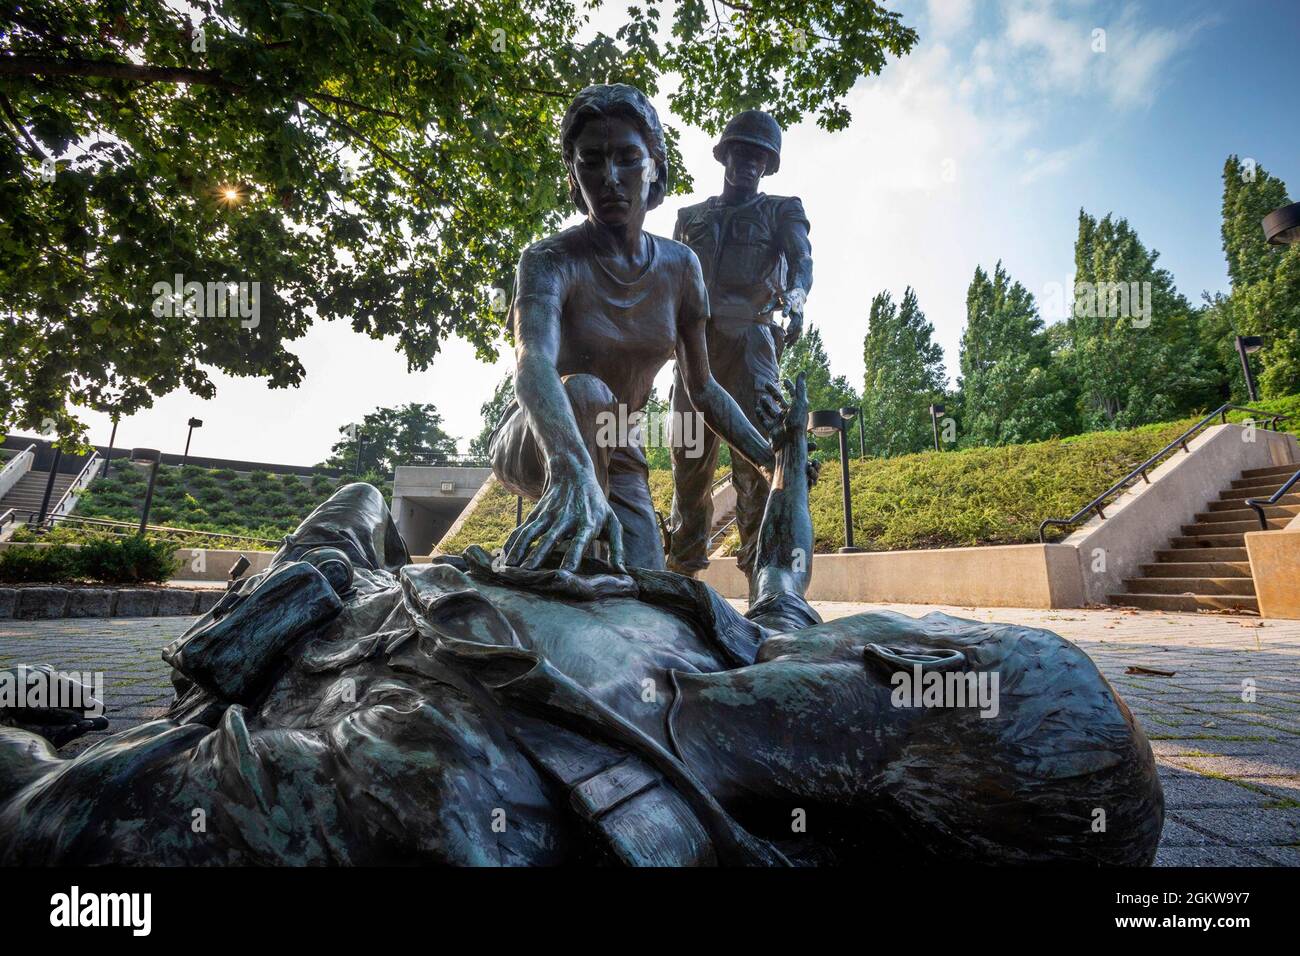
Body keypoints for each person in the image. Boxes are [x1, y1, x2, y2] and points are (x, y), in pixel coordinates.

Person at [0, 376, 1163, 866]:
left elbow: (68, 829)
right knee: (359, 494)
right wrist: (794, 456)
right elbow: (786, 561)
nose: (859, 636)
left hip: (281, 666)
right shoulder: (751, 647)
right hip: (337, 591)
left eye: (904, 666)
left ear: (900, 766)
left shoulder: (481, 815)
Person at [489, 84, 784, 573]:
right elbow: (533, 361)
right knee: (585, 392)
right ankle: (562, 568)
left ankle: (584, 558)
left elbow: (705, 390)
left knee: (645, 576)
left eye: (628, 158)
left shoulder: (681, 267)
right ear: (573, 176)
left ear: (655, 172)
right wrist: (570, 465)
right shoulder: (547, 261)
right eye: (591, 161)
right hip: (541, 435)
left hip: (616, 439)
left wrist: (768, 458)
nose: (610, 178)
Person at [667, 110, 813, 590]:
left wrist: (796, 298)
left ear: (769, 164)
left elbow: (801, 261)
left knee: (756, 469)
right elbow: (668, 288)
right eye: (742, 151)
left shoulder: (781, 209)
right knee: (688, 466)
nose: (749, 161)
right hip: (695, 350)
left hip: (752, 344)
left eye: (760, 155)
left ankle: (763, 587)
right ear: (725, 154)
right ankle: (681, 579)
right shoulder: (689, 219)